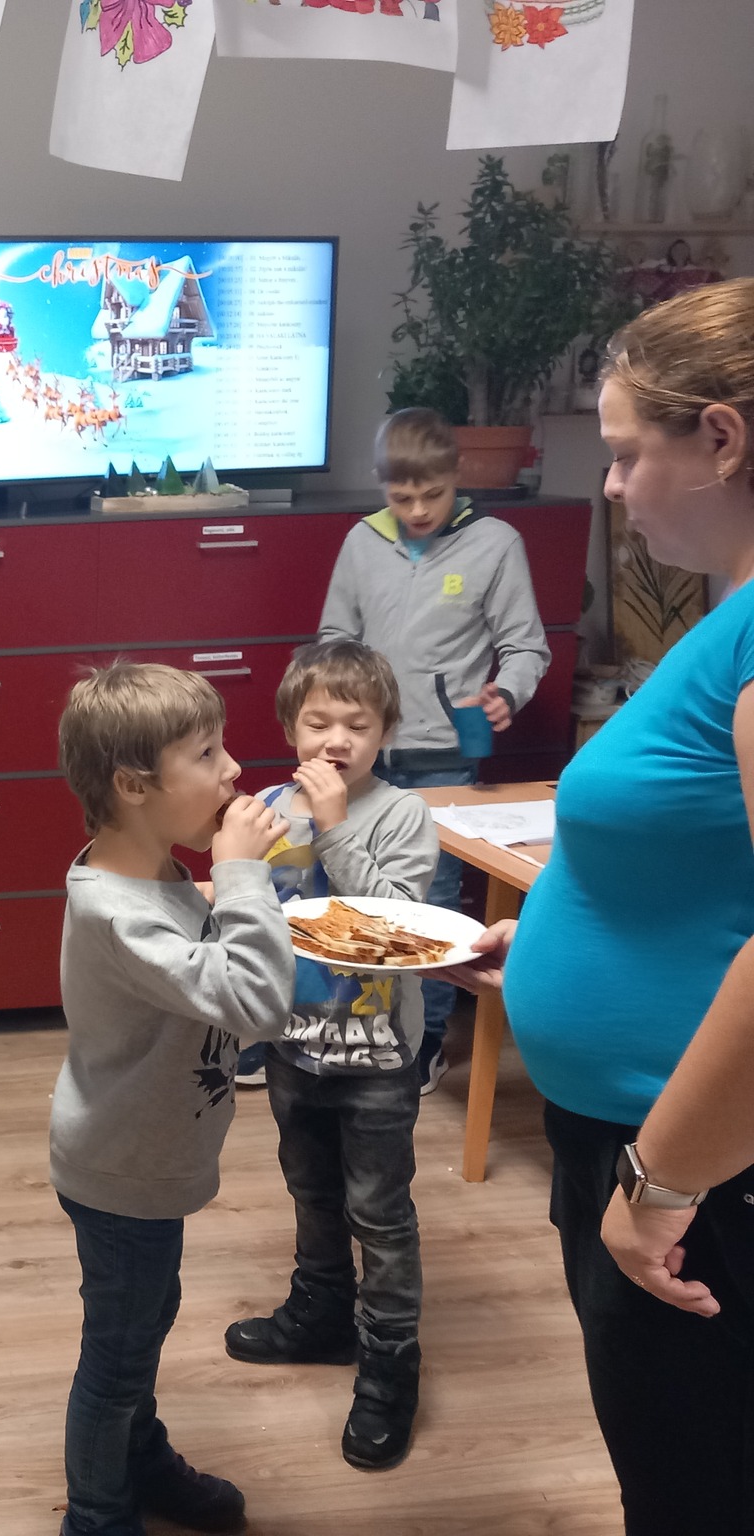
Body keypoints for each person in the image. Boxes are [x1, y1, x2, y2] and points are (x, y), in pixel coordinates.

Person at [442, 278, 754, 1536]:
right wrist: (544, 951)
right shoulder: (729, 619)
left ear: (720, 439)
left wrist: (660, 1182)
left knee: (691, 1495)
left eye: (624, 453)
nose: (612, 488)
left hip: (693, 1170)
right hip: (640, 1140)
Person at [51, 663, 294, 1536]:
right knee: (116, 1358)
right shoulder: (119, 914)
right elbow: (255, 1002)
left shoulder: (154, 874)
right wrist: (243, 875)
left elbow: (231, 961)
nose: (234, 769)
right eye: (206, 754)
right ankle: (97, 1514)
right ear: (133, 786)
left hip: (151, 1161)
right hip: (122, 1172)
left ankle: (139, 1458)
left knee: (145, 1324)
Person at [224, 642, 438, 1471]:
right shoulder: (269, 809)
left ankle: (390, 1365)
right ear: (290, 727)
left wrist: (337, 826)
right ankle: (321, 1315)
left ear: (385, 732)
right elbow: (250, 915)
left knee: (379, 1213)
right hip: (296, 1048)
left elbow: (394, 930)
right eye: (319, 722)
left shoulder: (400, 815)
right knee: (310, 1191)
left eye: (358, 724)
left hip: (377, 1058)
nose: (336, 740)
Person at [296, 407, 550, 1096]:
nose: (416, 510)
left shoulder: (494, 544)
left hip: (442, 757)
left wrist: (507, 692)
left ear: (456, 476)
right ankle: (342, 1022)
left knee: (428, 904)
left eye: (431, 495)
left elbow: (526, 645)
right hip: (359, 758)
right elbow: (333, 640)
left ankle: (424, 1037)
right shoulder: (362, 542)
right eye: (401, 496)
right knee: (343, 883)